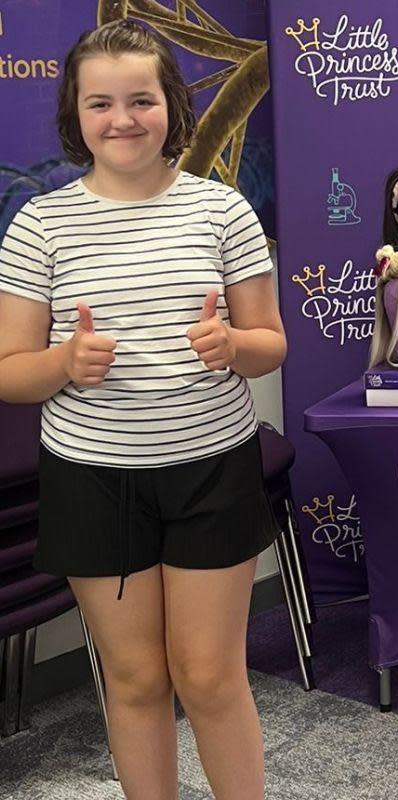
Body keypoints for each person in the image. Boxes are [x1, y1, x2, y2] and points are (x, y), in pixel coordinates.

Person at [0, 20, 284, 800]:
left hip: (211, 471)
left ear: (171, 107)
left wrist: (234, 344)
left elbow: (271, 344)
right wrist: (61, 363)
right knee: (132, 678)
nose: (123, 118)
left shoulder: (220, 212)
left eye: (141, 98)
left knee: (209, 676)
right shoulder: (40, 225)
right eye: (101, 103)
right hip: (93, 479)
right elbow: (10, 373)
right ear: (76, 115)